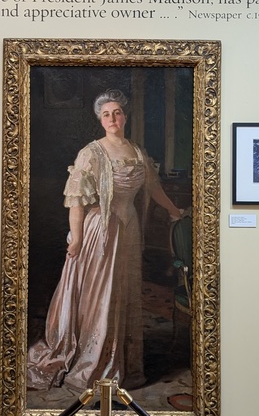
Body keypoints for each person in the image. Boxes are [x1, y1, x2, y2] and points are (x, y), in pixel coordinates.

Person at [26, 89, 185, 393]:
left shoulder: (137, 151)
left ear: (125, 116)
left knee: (123, 291)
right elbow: (76, 202)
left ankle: (119, 359)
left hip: (129, 229)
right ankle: (92, 359)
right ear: (100, 120)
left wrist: (175, 210)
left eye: (117, 113)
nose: (113, 118)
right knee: (99, 292)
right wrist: (77, 238)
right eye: (106, 114)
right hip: (100, 229)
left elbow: (153, 188)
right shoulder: (91, 153)